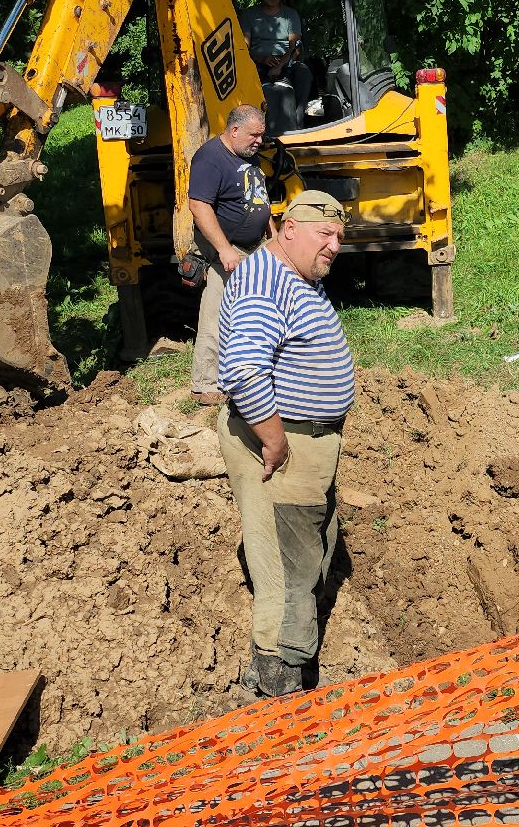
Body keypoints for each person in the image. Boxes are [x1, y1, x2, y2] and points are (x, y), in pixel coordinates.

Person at [216, 190, 354, 696]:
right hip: (285, 445)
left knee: (308, 549)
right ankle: (278, 681)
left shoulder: (294, 275)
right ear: (288, 229)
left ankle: (286, 662)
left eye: (339, 236)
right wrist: (273, 442)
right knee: (285, 562)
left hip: (304, 443)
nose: (335, 245)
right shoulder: (265, 282)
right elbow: (244, 369)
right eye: (325, 234)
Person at [188, 105, 272, 406]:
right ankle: (205, 384)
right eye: (254, 134)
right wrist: (224, 249)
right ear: (234, 130)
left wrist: (272, 238)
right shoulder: (211, 158)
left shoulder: (247, 155)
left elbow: (259, 198)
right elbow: (199, 206)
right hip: (229, 250)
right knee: (216, 315)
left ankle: (255, 372)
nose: (259, 141)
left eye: (261, 135)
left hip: (256, 247)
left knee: (260, 313)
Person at [244, 0, 313, 114]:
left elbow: (295, 46)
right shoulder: (249, 15)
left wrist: (280, 65)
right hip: (256, 65)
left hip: (285, 63)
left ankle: (298, 118)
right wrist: (262, 59)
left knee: (303, 72)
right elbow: (244, 47)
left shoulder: (290, 15)